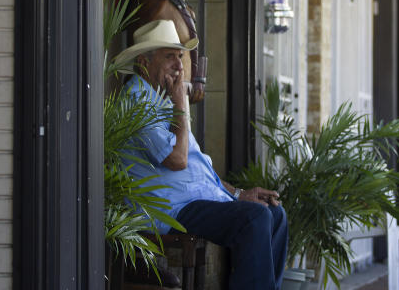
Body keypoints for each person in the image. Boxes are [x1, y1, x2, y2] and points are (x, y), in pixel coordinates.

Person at [113, 20, 289, 289]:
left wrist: (238, 193)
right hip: (167, 209)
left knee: (275, 214)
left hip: (191, 201)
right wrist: (181, 106)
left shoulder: (162, 99)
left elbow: (197, 168)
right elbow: (177, 160)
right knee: (255, 219)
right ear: (144, 63)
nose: (180, 65)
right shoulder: (136, 101)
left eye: (179, 56)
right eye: (169, 56)